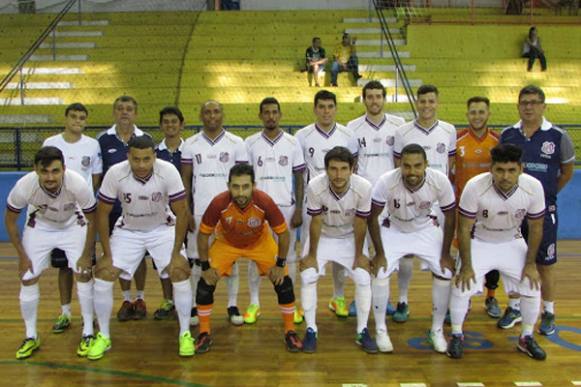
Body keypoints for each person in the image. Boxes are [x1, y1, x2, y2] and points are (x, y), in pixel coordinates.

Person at [89, 135, 194, 360]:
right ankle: (104, 336)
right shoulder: (116, 173)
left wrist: (176, 253)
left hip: (161, 228)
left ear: (154, 156)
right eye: (136, 159)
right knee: (103, 273)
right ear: (128, 156)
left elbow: (182, 212)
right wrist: (106, 254)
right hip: (129, 230)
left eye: (147, 159)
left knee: (180, 271)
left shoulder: (168, 171)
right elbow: (102, 212)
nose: (141, 165)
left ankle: (185, 333)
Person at [447, 144, 547, 360]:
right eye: (500, 170)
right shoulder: (475, 186)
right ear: (491, 169)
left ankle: (526, 337)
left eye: (511, 170)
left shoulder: (534, 187)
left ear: (521, 169)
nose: (505, 176)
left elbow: (537, 227)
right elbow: (464, 228)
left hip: (512, 239)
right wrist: (466, 265)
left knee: (532, 285)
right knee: (461, 285)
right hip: (481, 240)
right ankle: (456, 334)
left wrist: (531, 264)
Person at [194, 164, 303, 353]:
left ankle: (290, 332)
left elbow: (284, 235)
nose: (240, 192)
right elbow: (202, 235)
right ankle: (204, 333)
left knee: (283, 283)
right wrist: (205, 267)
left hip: (259, 242)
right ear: (228, 186)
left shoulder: (264, 201)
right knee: (205, 284)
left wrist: (280, 264)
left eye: (245, 186)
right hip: (227, 243)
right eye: (235, 187)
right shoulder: (219, 203)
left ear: (254, 185)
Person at [6, 146, 97, 359]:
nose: (50, 177)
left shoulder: (77, 183)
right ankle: (31, 336)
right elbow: (10, 221)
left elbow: (93, 219)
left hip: (73, 223)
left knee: (83, 273)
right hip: (41, 225)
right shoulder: (24, 186)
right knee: (28, 276)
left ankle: (88, 332)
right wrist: (21, 256)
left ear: (64, 169)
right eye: (44, 171)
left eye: (55, 171)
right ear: (35, 170)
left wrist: (86, 253)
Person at [498, 85, 575, 335]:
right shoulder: (508, 134)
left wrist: (545, 197)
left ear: (543, 106)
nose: (528, 107)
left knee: (545, 263)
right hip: (512, 211)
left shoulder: (558, 137)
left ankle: (549, 311)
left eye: (533, 102)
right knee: (512, 261)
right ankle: (514, 306)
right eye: (524, 102)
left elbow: (566, 173)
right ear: (518, 106)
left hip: (543, 213)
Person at [369, 144, 456, 353]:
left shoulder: (439, 181)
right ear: (399, 164)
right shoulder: (386, 181)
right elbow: (372, 217)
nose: (412, 172)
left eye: (418, 166)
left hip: (426, 228)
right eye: (406, 166)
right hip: (395, 228)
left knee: (444, 271)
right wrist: (379, 253)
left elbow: (451, 216)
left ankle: (436, 330)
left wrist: (445, 254)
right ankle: (381, 329)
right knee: (380, 272)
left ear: (426, 164)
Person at [300, 146, 377, 354]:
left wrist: (360, 254)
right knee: (308, 275)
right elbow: (315, 222)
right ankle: (310, 329)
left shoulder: (364, 187)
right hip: (323, 235)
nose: (338, 174)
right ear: (325, 170)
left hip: (349, 237)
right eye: (333, 169)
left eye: (344, 169)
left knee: (363, 278)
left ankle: (362, 330)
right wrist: (312, 255)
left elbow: (361, 223)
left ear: (353, 169)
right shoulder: (315, 186)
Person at [392, 84, 456, 323]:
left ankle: (442, 305)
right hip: (409, 199)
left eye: (431, 101)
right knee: (406, 253)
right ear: (416, 103)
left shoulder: (449, 130)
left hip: (439, 201)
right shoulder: (403, 132)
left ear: (437, 102)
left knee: (442, 253)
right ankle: (403, 300)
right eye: (423, 101)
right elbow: (397, 166)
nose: (427, 106)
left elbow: (451, 166)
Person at [181, 100, 247, 326]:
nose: (212, 115)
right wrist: (187, 211)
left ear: (223, 114)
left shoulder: (237, 143)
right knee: (197, 261)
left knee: (232, 260)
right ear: (201, 115)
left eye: (216, 111)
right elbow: (186, 181)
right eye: (207, 111)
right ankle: (193, 306)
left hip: (229, 213)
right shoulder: (190, 144)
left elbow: (243, 182)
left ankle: (232, 304)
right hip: (199, 212)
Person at [295, 90, 358, 318]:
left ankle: (338, 297)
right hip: (313, 202)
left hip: (342, 201)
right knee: (306, 252)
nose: (326, 111)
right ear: (314, 109)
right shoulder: (302, 136)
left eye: (330, 106)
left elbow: (354, 168)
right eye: (321, 107)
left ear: (336, 108)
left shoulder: (348, 135)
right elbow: (299, 173)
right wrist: (299, 206)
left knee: (340, 248)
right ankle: (303, 304)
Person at [244, 98, 306, 324]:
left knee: (288, 258)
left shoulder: (292, 143)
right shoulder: (249, 143)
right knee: (254, 257)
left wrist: (299, 207)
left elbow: (299, 177)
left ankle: (292, 303)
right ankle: (254, 303)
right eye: (266, 113)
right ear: (260, 116)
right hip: (257, 209)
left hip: (285, 209)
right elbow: (244, 179)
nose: (271, 116)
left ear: (280, 115)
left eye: (274, 112)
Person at [347, 80, 405, 317]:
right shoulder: (352, 127)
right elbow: (350, 166)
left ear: (384, 98)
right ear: (364, 99)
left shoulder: (399, 125)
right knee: (359, 247)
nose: (374, 100)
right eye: (369, 96)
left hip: (389, 199)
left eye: (378, 96)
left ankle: (387, 298)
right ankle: (357, 297)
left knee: (386, 248)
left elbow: (401, 163)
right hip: (362, 197)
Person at [42, 103, 102, 333]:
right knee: (64, 267)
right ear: (66, 118)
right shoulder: (51, 143)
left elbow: (95, 177)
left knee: (86, 267)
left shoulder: (92, 144)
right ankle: (65, 312)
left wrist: (81, 197)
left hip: (82, 217)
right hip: (57, 215)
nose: (78, 120)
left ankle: (92, 313)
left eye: (82, 117)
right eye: (74, 116)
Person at [97, 95, 150, 321]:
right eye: (120, 109)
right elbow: (100, 178)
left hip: (140, 210)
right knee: (120, 258)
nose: (124, 112)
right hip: (114, 211)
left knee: (139, 258)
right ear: (114, 112)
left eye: (129, 109)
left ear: (136, 113)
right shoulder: (103, 140)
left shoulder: (146, 138)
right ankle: (126, 299)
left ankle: (140, 298)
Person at [455, 96, 501, 319]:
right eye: (473, 112)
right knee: (464, 252)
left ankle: (491, 296)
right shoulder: (458, 139)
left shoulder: (497, 141)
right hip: (464, 209)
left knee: (492, 253)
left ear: (488, 114)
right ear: (467, 115)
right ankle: (467, 297)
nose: (477, 116)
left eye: (481, 112)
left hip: (491, 208)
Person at [152, 106, 186, 320]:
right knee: (163, 260)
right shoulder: (154, 153)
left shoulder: (190, 150)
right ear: (161, 125)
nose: (170, 125)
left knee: (185, 259)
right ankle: (168, 300)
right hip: (162, 215)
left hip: (185, 212)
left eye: (174, 121)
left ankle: (187, 300)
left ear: (182, 124)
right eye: (166, 121)